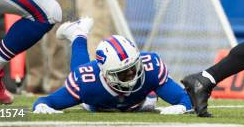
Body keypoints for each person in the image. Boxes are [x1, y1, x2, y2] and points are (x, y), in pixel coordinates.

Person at [32, 18, 193, 114]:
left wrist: (183, 106)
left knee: (148, 103)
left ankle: (78, 33)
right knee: (79, 73)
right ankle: (78, 34)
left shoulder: (150, 68)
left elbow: (186, 98)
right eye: (123, 73)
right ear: (106, 74)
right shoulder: (87, 82)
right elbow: (46, 101)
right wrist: (41, 106)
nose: (132, 75)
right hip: (97, 104)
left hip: (138, 102)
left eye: (134, 67)